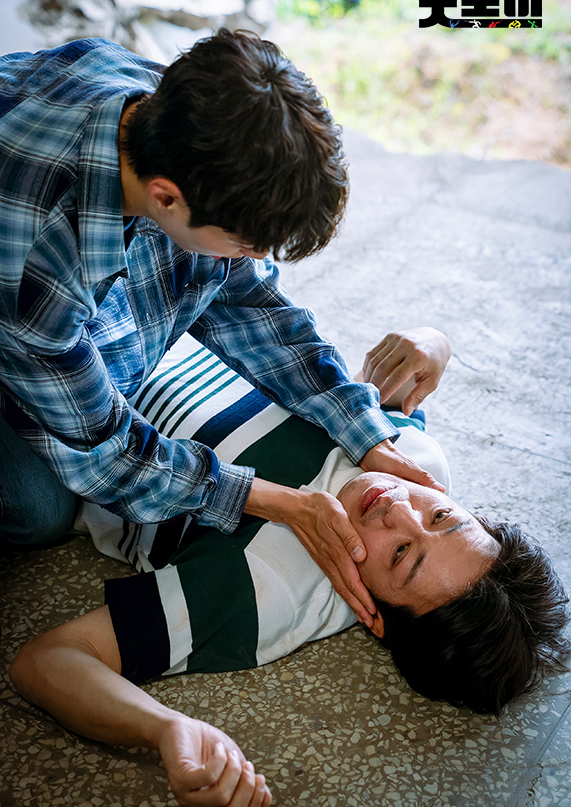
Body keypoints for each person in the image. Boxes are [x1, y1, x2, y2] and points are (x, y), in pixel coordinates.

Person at [0, 30, 451, 627]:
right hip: (20, 317)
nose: (254, 259)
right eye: (245, 244)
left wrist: (365, 433)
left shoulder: (184, 114)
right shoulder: (40, 260)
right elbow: (104, 453)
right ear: (165, 198)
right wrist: (279, 502)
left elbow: (251, 306)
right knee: (40, 509)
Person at [9, 333, 569, 807]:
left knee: (34, 511)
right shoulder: (418, 466)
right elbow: (384, 377)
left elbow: (48, 659)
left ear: (373, 615)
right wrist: (432, 346)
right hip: (160, 328)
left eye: (401, 554)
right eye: (443, 517)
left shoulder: (265, 588)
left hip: (65, 426)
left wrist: (164, 727)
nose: (400, 508)